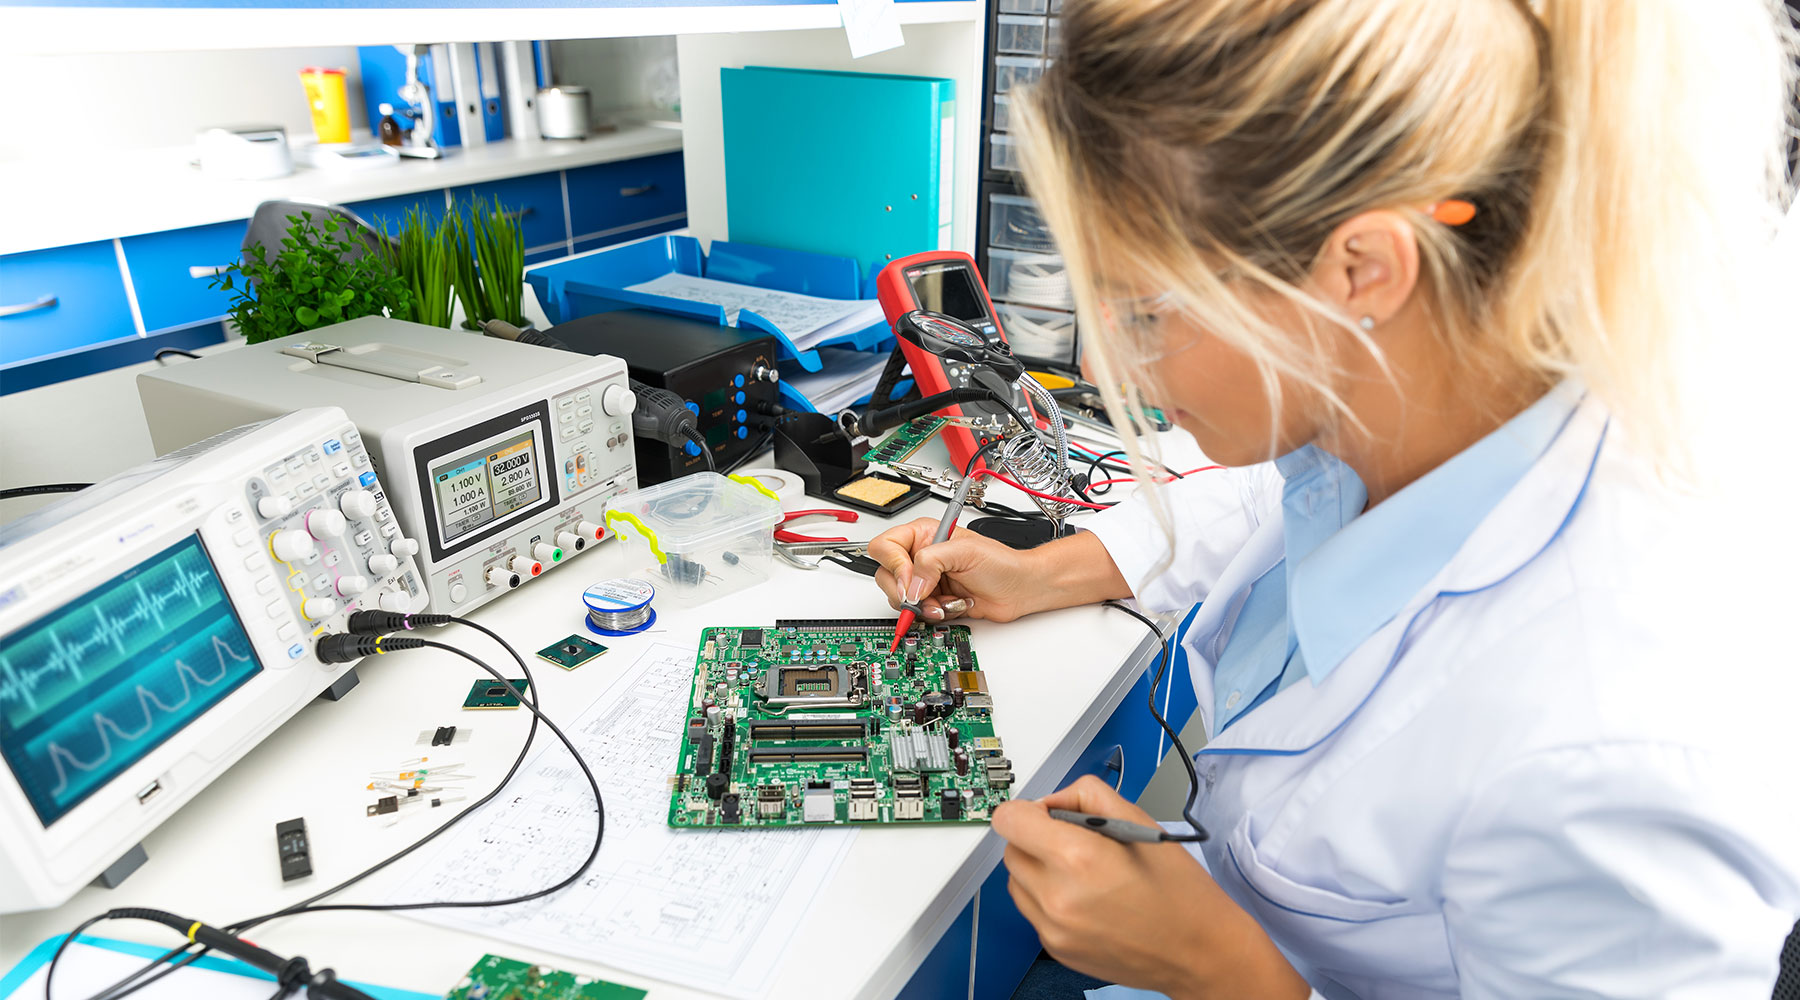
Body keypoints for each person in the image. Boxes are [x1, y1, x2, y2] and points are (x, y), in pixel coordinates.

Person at [869, 0, 1800, 996]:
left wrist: (1225, 971)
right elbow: (1282, 496)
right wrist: (1044, 572)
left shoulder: (1615, 745)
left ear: (1361, 269)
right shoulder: (1441, 396)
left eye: (1143, 307)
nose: (1102, 362)